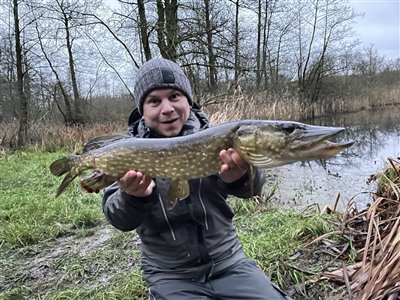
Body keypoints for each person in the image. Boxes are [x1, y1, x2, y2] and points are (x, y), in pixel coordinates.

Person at [102, 58, 291, 299]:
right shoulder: (126, 150)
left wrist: (241, 176)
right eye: (154, 101)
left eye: (174, 96)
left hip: (228, 263)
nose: (167, 108)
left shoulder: (219, 137)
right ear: (142, 110)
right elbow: (118, 218)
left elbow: (254, 188)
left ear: (188, 100)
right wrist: (133, 197)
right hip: (170, 274)